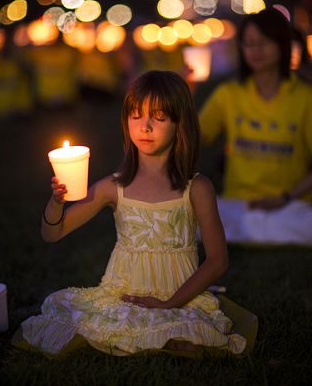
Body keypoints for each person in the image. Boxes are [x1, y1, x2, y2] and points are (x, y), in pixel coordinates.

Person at [16, 70, 249, 357]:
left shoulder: (196, 188)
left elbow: (218, 260)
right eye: (136, 115)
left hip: (180, 294)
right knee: (88, 321)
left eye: (159, 116)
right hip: (123, 294)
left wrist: (169, 303)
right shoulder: (114, 188)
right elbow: (52, 233)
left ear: (180, 123)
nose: (146, 126)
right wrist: (57, 202)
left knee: (186, 334)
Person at [198, 8, 312, 245]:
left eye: (264, 42)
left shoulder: (304, 97)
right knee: (187, 219)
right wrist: (180, 98)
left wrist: (285, 198)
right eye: (249, 43)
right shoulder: (229, 94)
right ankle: (251, 230)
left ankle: (244, 232)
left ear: (282, 44)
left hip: (288, 205)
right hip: (238, 203)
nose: (256, 50)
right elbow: (193, 138)